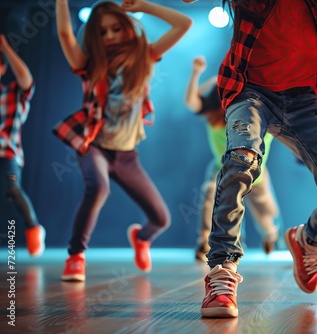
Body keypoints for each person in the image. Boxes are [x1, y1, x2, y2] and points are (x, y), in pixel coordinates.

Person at [183, 0, 317, 318]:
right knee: (240, 161)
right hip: (251, 93)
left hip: (303, 99)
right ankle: (222, 272)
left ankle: (308, 239)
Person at [54, 0, 191, 281]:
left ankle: (141, 239)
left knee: (161, 219)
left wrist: (143, 5)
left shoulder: (146, 57)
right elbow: (67, 36)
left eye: (116, 29)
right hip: (95, 146)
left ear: (127, 27)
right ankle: (76, 256)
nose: (110, 37)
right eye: (103, 33)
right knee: (99, 187)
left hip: (127, 155)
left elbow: (183, 24)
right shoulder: (90, 64)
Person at [185, 56, 280, 261]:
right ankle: (205, 241)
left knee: (264, 213)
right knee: (211, 192)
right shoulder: (215, 113)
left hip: (254, 170)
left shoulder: (257, 116)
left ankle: (271, 233)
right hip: (221, 166)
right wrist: (210, 77)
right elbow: (193, 100)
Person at [0, 34, 45, 257]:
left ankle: (33, 228)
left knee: (11, 189)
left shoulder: (12, 94)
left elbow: (26, 79)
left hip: (7, 153)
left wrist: (6, 49)